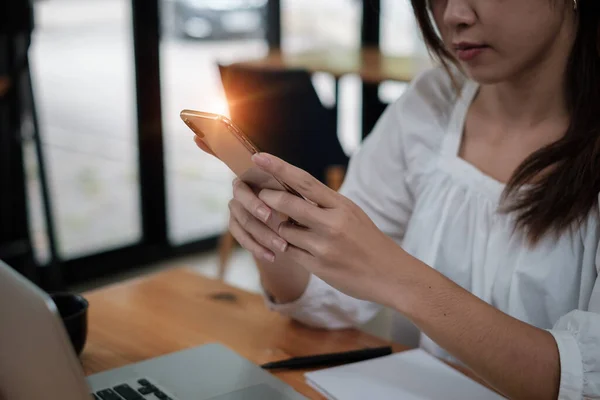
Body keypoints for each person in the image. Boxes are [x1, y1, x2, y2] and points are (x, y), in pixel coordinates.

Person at [196, 0, 600, 398]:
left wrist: (394, 275)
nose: (454, 15)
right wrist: (277, 236)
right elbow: (333, 301)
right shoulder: (431, 102)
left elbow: (586, 380)